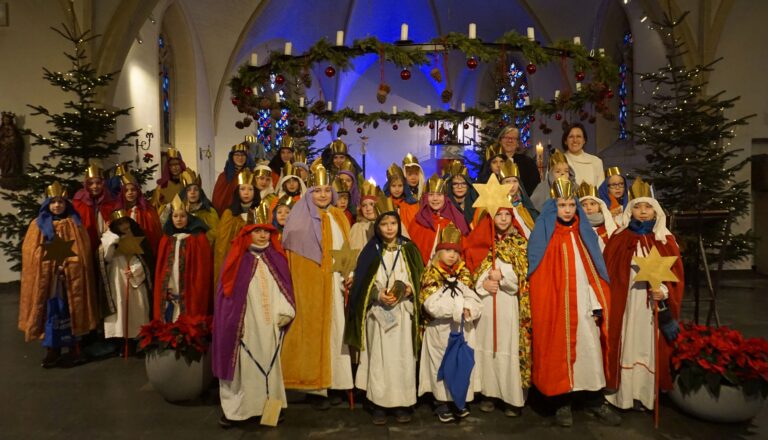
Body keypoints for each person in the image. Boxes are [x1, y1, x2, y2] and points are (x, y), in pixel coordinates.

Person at [527, 178, 620, 427]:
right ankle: (562, 402)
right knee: (559, 351)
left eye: (570, 204)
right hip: (558, 308)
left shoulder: (584, 233)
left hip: (585, 307)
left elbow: (595, 270)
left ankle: (593, 399)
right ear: (552, 207)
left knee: (589, 351)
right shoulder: (545, 235)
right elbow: (538, 274)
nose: (567, 209)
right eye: (561, 205)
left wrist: (597, 300)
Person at [213, 200, 296, 428]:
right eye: (257, 231)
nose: (262, 236)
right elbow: (227, 298)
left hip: (270, 326)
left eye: (266, 232)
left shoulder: (275, 258)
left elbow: (284, 289)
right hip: (245, 326)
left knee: (269, 365)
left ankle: (270, 408)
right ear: (247, 233)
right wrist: (235, 324)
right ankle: (239, 411)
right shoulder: (236, 260)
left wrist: (285, 311)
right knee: (243, 368)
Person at [604, 178, 684, 411]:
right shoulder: (619, 239)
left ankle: (645, 394)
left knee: (648, 345)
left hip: (652, 306)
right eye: (638, 207)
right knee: (626, 342)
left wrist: (665, 291)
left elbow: (676, 276)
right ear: (631, 210)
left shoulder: (664, 239)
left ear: (655, 210)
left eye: (647, 207)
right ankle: (623, 394)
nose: (642, 212)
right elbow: (611, 271)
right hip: (627, 303)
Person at [344, 196, 425, 424]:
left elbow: (420, 279)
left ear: (399, 225)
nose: (389, 228)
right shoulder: (370, 251)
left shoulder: (409, 249)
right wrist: (376, 294)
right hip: (378, 315)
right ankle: (378, 403)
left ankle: (402, 403)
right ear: (377, 227)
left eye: (393, 223)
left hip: (402, 314)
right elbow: (361, 282)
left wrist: (408, 290)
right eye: (384, 224)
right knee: (378, 359)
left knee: (402, 359)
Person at [280, 163, 354, 409]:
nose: (322, 195)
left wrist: (348, 274)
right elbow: (292, 252)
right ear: (308, 192)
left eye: (326, 190)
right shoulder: (297, 217)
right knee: (312, 332)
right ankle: (316, 388)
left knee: (336, 333)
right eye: (317, 190)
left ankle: (337, 384)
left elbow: (345, 248)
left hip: (334, 283)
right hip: (309, 287)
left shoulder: (338, 216)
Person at [20, 181, 99, 368]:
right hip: (49, 281)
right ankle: (52, 349)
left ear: (66, 204)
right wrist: (51, 263)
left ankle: (75, 349)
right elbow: (31, 253)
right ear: (47, 204)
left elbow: (83, 251)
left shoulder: (75, 224)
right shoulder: (37, 225)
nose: (57, 206)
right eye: (53, 202)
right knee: (51, 312)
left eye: (61, 202)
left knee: (72, 311)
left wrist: (69, 264)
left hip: (70, 279)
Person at [464, 207, 531, 417]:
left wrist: (502, 277)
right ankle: (489, 393)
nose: (503, 219)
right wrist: (483, 283)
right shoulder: (483, 241)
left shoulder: (520, 243)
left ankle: (512, 397)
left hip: (509, 304)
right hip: (486, 305)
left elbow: (524, 275)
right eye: (499, 215)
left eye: (507, 215)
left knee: (507, 345)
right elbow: (470, 269)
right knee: (486, 345)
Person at [418, 225, 481, 423]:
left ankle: (458, 400)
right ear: (439, 252)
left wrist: (469, 309)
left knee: (459, 364)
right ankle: (441, 402)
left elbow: (475, 299)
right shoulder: (431, 274)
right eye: (447, 251)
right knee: (441, 364)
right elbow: (432, 305)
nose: (452, 255)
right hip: (440, 331)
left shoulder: (463, 274)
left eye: (455, 251)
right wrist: (458, 308)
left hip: (462, 330)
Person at [99, 210, 154, 353]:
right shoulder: (109, 238)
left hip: (135, 279)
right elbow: (106, 258)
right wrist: (111, 239)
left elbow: (146, 260)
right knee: (121, 307)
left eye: (125, 222)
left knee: (138, 307)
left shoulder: (137, 236)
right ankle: (124, 341)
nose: (124, 226)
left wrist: (136, 271)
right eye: (120, 223)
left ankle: (140, 338)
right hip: (117, 277)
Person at [154, 195, 213, 322]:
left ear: (189, 217)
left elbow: (203, 268)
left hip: (190, 285)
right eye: (175, 216)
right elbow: (161, 267)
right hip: (172, 283)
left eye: (183, 216)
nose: (179, 219)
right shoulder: (166, 239)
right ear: (171, 218)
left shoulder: (199, 238)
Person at [408, 174, 470, 265]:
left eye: (439, 195)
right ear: (425, 197)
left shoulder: (454, 220)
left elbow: (463, 250)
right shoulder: (418, 221)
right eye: (431, 195)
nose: (435, 199)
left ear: (445, 198)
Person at [214, 169, 261, 286]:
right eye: (242, 189)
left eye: (250, 189)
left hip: (256, 263)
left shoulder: (260, 212)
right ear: (237, 192)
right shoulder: (229, 214)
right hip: (234, 263)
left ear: (255, 192)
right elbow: (222, 245)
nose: (246, 193)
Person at [73, 164, 118, 255]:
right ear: (86, 185)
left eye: (98, 183)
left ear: (103, 183)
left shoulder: (110, 200)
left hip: (106, 243)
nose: (95, 186)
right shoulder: (79, 202)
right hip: (86, 242)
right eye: (91, 183)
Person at [116, 172, 162, 252]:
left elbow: (154, 233)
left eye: (133, 190)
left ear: (138, 192)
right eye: (126, 190)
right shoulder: (119, 212)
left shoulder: (148, 211)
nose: (130, 193)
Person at [178, 169, 219, 246]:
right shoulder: (180, 211)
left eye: (196, 189)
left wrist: (198, 242)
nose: (192, 192)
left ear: (200, 192)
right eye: (189, 190)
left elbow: (215, 233)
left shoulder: (209, 211)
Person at [212, 143, 256, 214]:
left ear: (247, 157)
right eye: (237, 155)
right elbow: (218, 199)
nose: (240, 158)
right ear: (232, 156)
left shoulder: (251, 175)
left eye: (243, 155)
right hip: (228, 213)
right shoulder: (223, 176)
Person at [497, 125, 541, 195]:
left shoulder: (527, 162)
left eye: (514, 138)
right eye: (506, 137)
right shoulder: (493, 161)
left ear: (518, 143)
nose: (509, 140)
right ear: (500, 141)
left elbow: (534, 186)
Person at [577, 182, 617, 251]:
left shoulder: (611, 224)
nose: (589, 207)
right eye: (584, 205)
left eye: (592, 204)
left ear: (599, 206)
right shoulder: (576, 227)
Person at [562, 123, 604, 187]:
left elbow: (601, 190)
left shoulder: (596, 161)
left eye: (578, 136)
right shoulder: (559, 160)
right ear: (565, 141)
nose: (575, 140)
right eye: (571, 137)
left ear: (584, 140)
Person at [383, 163, 418, 234]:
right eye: (393, 186)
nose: (397, 189)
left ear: (404, 186)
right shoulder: (385, 204)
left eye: (400, 186)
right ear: (388, 186)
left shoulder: (411, 204)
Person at [444, 160, 478, 229]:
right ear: (451, 186)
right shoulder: (444, 206)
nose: (459, 187)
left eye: (463, 183)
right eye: (455, 184)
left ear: (468, 185)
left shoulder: (476, 206)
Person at [348, 180, 379, 252]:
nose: (368, 209)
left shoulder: (385, 224)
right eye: (364, 205)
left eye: (371, 204)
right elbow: (354, 252)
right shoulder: (357, 228)